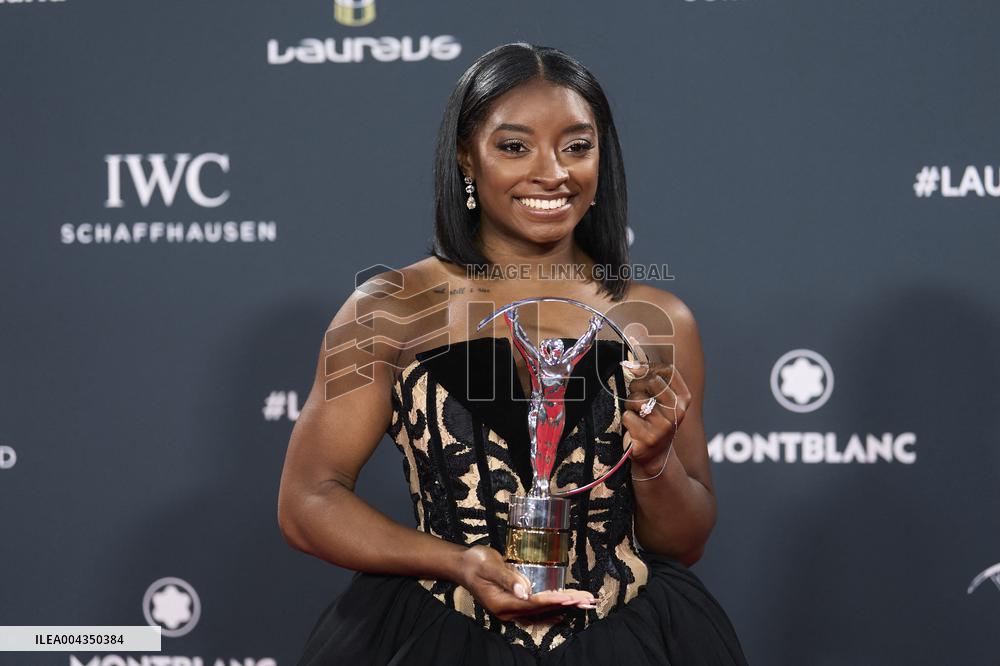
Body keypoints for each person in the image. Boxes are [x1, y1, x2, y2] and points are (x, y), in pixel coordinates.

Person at [278, 42, 749, 665]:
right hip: (439, 637)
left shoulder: (657, 319)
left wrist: (654, 459)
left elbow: (685, 542)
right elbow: (308, 500)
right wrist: (456, 562)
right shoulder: (388, 310)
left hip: (628, 638)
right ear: (466, 157)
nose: (552, 173)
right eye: (514, 146)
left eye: (576, 147)